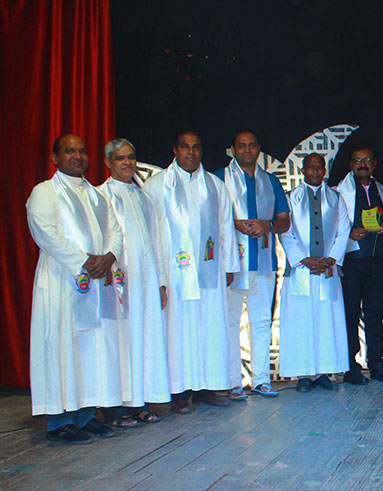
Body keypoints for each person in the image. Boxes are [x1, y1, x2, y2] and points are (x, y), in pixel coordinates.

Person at [27, 134, 122, 444]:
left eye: (82, 151)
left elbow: (115, 230)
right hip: (62, 282)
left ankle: (86, 415)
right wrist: (85, 261)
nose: (77, 156)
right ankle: (59, 421)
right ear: (55, 158)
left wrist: (109, 257)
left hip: (95, 283)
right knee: (62, 348)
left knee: (90, 349)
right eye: (69, 151)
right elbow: (46, 233)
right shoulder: (45, 192)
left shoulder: (97, 195)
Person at [143, 131, 238, 413]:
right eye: (185, 147)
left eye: (196, 147)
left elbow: (225, 226)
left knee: (210, 325)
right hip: (174, 273)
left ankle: (208, 387)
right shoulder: (157, 186)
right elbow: (151, 234)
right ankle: (179, 390)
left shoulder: (215, 186)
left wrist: (230, 265)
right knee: (178, 329)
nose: (191, 152)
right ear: (175, 150)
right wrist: (158, 275)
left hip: (209, 270)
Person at [98, 139, 170, 427]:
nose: (127, 163)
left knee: (145, 338)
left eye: (131, 157)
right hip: (118, 281)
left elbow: (157, 242)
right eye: (120, 158)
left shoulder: (144, 197)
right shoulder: (100, 196)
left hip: (146, 281)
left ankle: (139, 401)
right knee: (119, 341)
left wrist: (161, 282)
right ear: (108, 162)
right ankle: (116, 408)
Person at [215, 131, 290, 398]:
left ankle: (261, 379)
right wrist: (234, 223)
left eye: (251, 146)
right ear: (232, 149)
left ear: (258, 149)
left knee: (261, 321)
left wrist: (267, 225)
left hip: (264, 260)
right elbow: (209, 219)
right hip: (231, 263)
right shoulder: (219, 179)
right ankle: (232, 381)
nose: (247, 150)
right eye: (241, 146)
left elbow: (284, 221)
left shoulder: (270, 181)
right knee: (230, 322)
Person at [278, 153, 351, 392]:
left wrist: (331, 259)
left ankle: (322, 373)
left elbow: (343, 231)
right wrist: (303, 259)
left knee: (326, 321)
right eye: (311, 167)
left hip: (327, 270)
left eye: (319, 167)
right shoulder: (290, 198)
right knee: (301, 321)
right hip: (301, 270)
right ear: (303, 170)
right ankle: (304, 375)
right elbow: (285, 232)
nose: (315, 171)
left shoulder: (335, 199)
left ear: (324, 171)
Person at [336, 145, 383, 384]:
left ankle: (376, 364)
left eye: (367, 160)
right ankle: (350, 367)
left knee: (374, 314)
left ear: (374, 164)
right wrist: (349, 232)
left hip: (377, 259)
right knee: (350, 314)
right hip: (351, 261)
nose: (362, 164)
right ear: (351, 165)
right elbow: (331, 224)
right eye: (357, 160)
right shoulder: (338, 192)